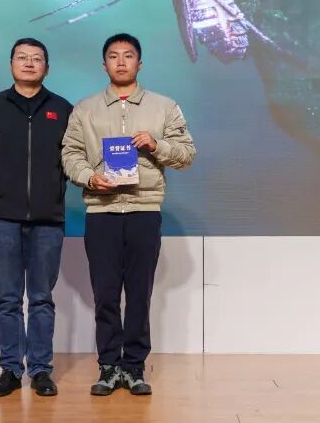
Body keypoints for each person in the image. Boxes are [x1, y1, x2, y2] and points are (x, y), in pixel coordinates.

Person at [61, 33, 196, 396]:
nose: (121, 62)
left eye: (128, 55)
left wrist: (157, 144)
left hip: (143, 211)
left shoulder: (164, 107)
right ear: (104, 64)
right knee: (105, 294)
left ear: (140, 63)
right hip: (101, 212)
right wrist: (89, 177)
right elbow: (70, 154)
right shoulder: (85, 109)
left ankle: (134, 367)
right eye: (113, 56)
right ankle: (108, 367)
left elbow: (186, 154)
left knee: (139, 295)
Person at [0, 38, 73, 397]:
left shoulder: (62, 109)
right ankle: (10, 370)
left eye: (37, 58)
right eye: (22, 57)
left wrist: (51, 191)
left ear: (47, 67)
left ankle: (41, 370)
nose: (29, 63)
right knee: (8, 298)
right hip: (3, 219)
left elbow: (71, 158)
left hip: (48, 219)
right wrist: (3, 189)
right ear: (11, 64)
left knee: (42, 297)